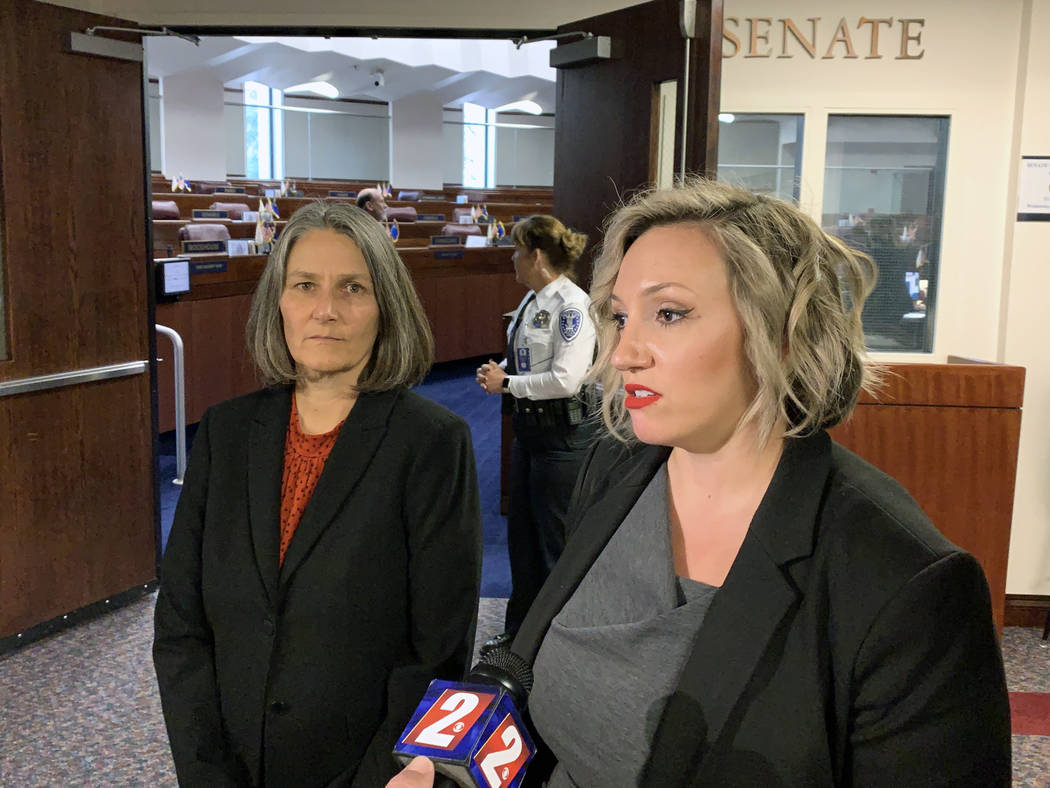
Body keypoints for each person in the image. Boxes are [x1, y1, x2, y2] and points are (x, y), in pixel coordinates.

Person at [392, 179, 1011, 786]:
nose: (622, 354)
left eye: (669, 314)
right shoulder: (617, 470)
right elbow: (526, 659)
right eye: (620, 318)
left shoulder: (906, 580)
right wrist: (441, 764)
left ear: (783, 331)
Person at [153, 201, 482, 787]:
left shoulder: (431, 443)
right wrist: (207, 775)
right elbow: (181, 625)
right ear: (278, 302)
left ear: (386, 307)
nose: (325, 310)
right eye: (305, 285)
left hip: (359, 769)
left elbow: (436, 653)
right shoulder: (226, 433)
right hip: (229, 765)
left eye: (353, 287)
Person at [475, 215, 597, 654]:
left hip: (561, 442)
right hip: (529, 436)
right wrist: (502, 370)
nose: (512, 258)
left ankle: (555, 640)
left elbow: (566, 379)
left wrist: (507, 385)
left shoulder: (571, 305)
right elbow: (528, 361)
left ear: (537, 256)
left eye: (517, 250)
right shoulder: (532, 302)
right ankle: (520, 632)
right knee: (522, 542)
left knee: (553, 547)